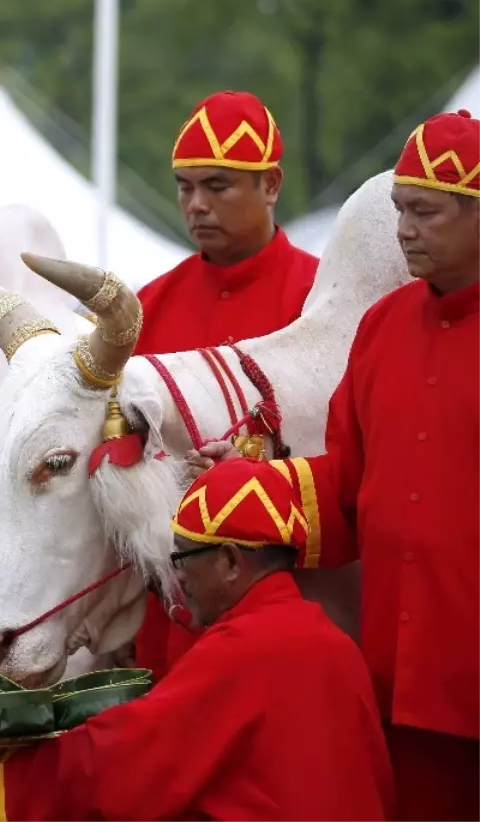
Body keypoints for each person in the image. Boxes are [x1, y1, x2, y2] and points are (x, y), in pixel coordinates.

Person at [189, 108, 480, 821]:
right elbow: (347, 484)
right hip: (392, 671)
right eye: (400, 210)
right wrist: (245, 484)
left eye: (425, 212)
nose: (404, 229)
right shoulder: (382, 325)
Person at [0, 457, 394, 821]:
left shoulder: (243, 649)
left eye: (182, 556)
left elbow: (127, 761)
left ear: (230, 561)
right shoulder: (335, 644)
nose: (176, 574)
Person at [129, 90, 321, 682]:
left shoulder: (319, 299)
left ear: (271, 184)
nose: (196, 204)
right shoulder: (148, 306)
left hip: (286, 597)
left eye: (217, 186)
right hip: (169, 598)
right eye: (186, 187)